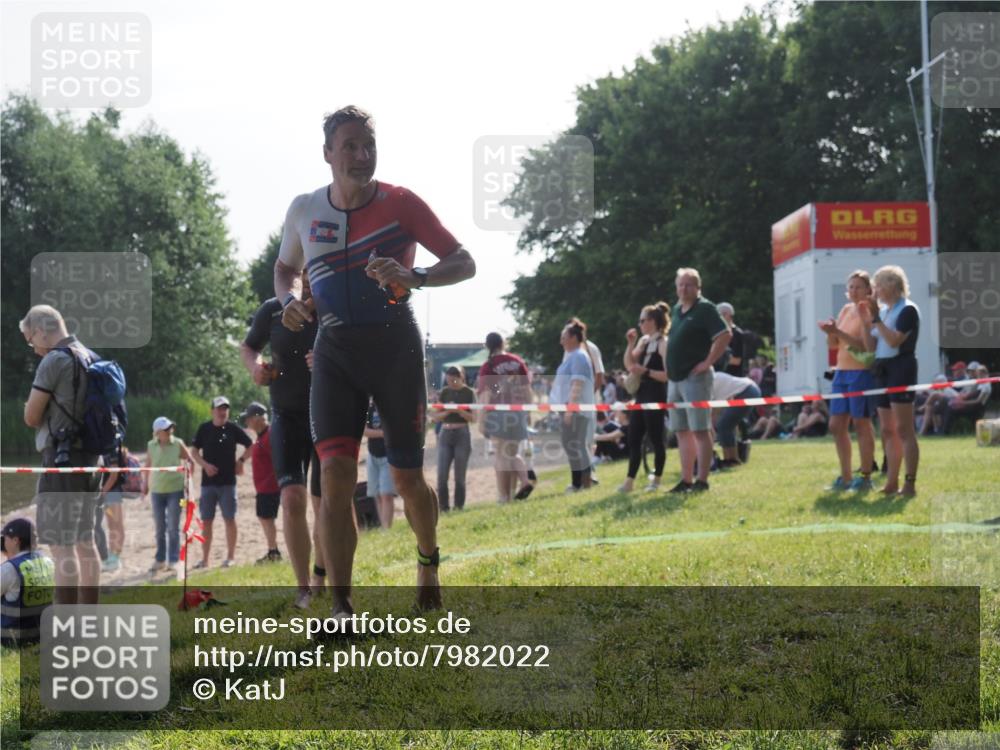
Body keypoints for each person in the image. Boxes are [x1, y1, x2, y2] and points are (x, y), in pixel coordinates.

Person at [274, 106, 476, 615]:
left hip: (395, 350)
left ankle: (428, 561)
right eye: (350, 146)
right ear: (328, 154)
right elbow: (283, 268)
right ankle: (341, 605)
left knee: (408, 478)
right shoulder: (304, 209)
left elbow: (464, 262)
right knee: (336, 475)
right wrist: (288, 301)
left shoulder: (401, 203)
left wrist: (419, 277)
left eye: (369, 146)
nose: (362, 156)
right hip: (335, 352)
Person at [241, 269, 326, 598]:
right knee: (291, 499)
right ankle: (303, 587)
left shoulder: (334, 307)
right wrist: (255, 369)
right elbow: (249, 347)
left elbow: (361, 354)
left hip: (327, 415)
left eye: (312, 269)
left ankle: (322, 575)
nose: (306, 278)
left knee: (325, 503)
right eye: (300, 270)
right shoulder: (272, 309)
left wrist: (328, 360)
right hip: (286, 415)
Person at [19, 304, 101, 604]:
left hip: (61, 461)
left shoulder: (54, 360)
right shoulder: (90, 356)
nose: (33, 348)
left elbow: (31, 416)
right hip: (91, 461)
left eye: (31, 340)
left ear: (42, 331)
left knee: (60, 545)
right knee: (85, 541)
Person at [666, 269, 732, 493]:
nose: (684, 289)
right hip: (675, 379)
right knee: (682, 431)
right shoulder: (676, 309)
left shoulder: (705, 308)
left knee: (700, 430)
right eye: (680, 285)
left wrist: (707, 362)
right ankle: (686, 480)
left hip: (696, 378)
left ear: (698, 287)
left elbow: (725, 335)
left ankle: (702, 480)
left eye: (689, 285)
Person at [859, 265, 920, 497]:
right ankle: (891, 482)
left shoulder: (908, 310)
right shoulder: (884, 311)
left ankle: (910, 483)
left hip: (901, 369)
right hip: (882, 369)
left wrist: (875, 318)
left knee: (904, 429)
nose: (875, 291)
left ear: (892, 285)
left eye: (879, 285)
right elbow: (871, 347)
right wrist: (866, 319)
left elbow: (894, 341)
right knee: (887, 429)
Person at [818, 270, 878, 492]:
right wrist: (829, 332)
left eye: (858, 287)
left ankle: (865, 476)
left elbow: (864, 345)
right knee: (836, 425)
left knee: (861, 423)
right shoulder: (845, 309)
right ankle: (845, 477)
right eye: (851, 287)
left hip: (860, 372)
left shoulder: (869, 311)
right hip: (841, 371)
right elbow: (834, 345)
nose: (853, 291)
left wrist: (838, 333)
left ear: (868, 290)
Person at [190, 396, 252, 569]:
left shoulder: (233, 429)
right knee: (207, 521)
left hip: (228, 483)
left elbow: (251, 445)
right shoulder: (204, 428)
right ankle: (205, 559)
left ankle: (230, 557)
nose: (222, 412)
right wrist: (205, 465)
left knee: (229, 519)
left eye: (225, 409)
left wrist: (241, 461)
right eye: (219, 408)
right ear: (212, 411)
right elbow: (193, 451)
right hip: (207, 483)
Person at [618, 302, 670, 493]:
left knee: (657, 439)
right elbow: (630, 365)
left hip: (656, 395)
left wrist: (646, 371)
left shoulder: (664, 343)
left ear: (653, 321)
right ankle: (629, 481)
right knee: (634, 438)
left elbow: (667, 375)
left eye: (643, 320)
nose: (639, 324)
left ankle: (656, 480)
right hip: (641, 396)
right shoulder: (644, 341)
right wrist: (630, 344)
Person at [477, 332, 534, 503]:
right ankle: (522, 483)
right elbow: (527, 391)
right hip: (517, 411)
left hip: (497, 413)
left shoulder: (488, 365)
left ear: (488, 346)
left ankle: (503, 497)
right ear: (503, 343)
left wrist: (481, 419)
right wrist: (528, 412)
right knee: (512, 454)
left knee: (501, 456)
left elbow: (485, 395)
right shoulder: (517, 361)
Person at [142, 417, 194, 573]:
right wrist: (145, 484)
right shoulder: (151, 445)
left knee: (173, 526)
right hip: (157, 490)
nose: (170, 431)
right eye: (166, 429)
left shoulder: (177, 443)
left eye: (170, 428)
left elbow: (190, 460)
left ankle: (173, 559)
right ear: (157, 432)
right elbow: (148, 465)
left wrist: (189, 482)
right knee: (159, 527)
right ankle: (160, 559)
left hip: (175, 490)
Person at [551, 322, 595, 492]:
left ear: (574, 338)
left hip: (575, 410)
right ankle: (579, 483)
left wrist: (570, 409)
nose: (561, 342)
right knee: (574, 445)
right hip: (572, 409)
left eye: (564, 338)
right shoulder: (574, 356)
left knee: (576, 445)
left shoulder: (578, 356)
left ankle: (583, 483)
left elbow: (577, 383)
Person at [240, 403, 284, 565]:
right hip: (264, 485)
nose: (247, 422)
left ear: (258, 418)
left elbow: (278, 459)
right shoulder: (262, 435)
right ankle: (272, 550)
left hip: (270, 485)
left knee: (267, 518)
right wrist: (241, 459)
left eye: (249, 419)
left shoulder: (270, 435)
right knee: (264, 517)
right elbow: (254, 448)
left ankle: (273, 551)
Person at [1, 518, 54, 647]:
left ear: (15, 541)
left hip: (13, 637)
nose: (3, 542)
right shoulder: (48, 561)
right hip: (42, 633)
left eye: (5, 538)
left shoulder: (9, 568)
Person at [433, 367, 476, 511]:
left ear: (461, 377)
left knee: (459, 475)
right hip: (445, 433)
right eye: (448, 380)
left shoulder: (469, 393)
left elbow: (474, 418)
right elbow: (435, 417)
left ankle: (459, 506)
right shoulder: (445, 392)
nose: (450, 383)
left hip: (462, 433)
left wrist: (459, 410)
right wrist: (448, 411)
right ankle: (443, 507)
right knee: (442, 474)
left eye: (454, 380)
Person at [711, 371, 761, 468]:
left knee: (723, 425)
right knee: (726, 424)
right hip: (749, 388)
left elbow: (715, 412)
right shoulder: (715, 377)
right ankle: (730, 458)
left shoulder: (712, 383)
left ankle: (732, 459)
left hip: (748, 391)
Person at [98, 445, 136, 571]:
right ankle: (112, 555)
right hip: (107, 493)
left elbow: (114, 475)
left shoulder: (111, 449)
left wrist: (102, 492)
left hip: (113, 493)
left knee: (117, 525)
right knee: (111, 525)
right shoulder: (104, 449)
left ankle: (116, 557)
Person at [364, 401, 397, 528]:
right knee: (376, 494)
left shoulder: (390, 406)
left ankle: (386, 528)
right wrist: (382, 433)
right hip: (372, 455)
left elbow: (393, 430)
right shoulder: (370, 408)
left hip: (388, 455)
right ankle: (383, 525)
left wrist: (379, 433)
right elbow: (365, 431)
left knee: (386, 494)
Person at [941, 362, 992, 434]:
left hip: (975, 408)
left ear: (983, 374)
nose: (977, 375)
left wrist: (962, 402)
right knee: (948, 406)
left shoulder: (985, 386)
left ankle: (945, 432)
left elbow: (978, 401)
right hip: (970, 405)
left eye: (979, 374)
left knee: (950, 409)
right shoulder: (980, 383)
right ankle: (943, 430)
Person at [716, 302, 746, 376]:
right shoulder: (718, 333)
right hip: (720, 376)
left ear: (727, 315)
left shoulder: (737, 334)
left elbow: (737, 360)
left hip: (733, 378)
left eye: (719, 315)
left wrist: (713, 358)